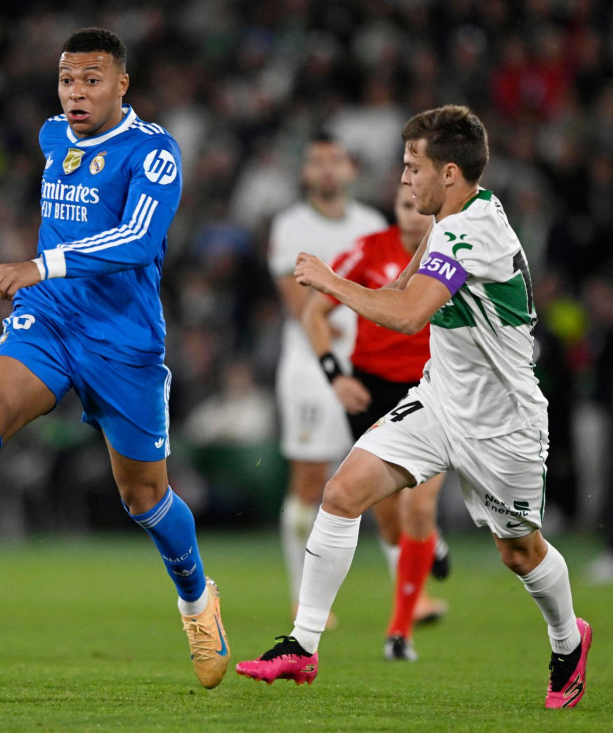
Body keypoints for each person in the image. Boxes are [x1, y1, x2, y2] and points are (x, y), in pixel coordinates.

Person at [237, 105, 591, 709]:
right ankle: (302, 643)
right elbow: (404, 287)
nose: (403, 179)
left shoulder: (466, 231)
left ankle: (567, 640)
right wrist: (355, 288)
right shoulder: (459, 214)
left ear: (448, 173)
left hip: (504, 422)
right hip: (439, 402)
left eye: (413, 167)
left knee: (518, 549)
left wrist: (329, 282)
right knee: (342, 493)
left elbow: (406, 317)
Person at [0, 27, 230, 689]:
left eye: (91, 79)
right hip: (49, 320)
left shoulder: (154, 152)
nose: (76, 93)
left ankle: (198, 601)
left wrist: (42, 261)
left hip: (123, 340)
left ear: (122, 84)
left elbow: (139, 240)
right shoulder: (53, 135)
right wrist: (45, 277)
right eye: (66, 80)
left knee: (144, 497)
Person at [300, 182, 448, 662]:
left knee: (418, 511)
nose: (411, 215)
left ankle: (399, 631)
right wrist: (334, 375)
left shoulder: (453, 256)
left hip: (430, 390)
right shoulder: (368, 249)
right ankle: (427, 548)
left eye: (418, 206)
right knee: (388, 521)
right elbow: (314, 312)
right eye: (403, 205)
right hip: (370, 389)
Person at [268, 133, 387, 623]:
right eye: (317, 161)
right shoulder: (291, 225)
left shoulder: (374, 225)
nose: (326, 169)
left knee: (383, 477)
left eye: (335, 160)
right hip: (311, 365)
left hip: (369, 362)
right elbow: (301, 305)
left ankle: (407, 595)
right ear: (305, 173)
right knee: (311, 479)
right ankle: (301, 592)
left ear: (351, 169)